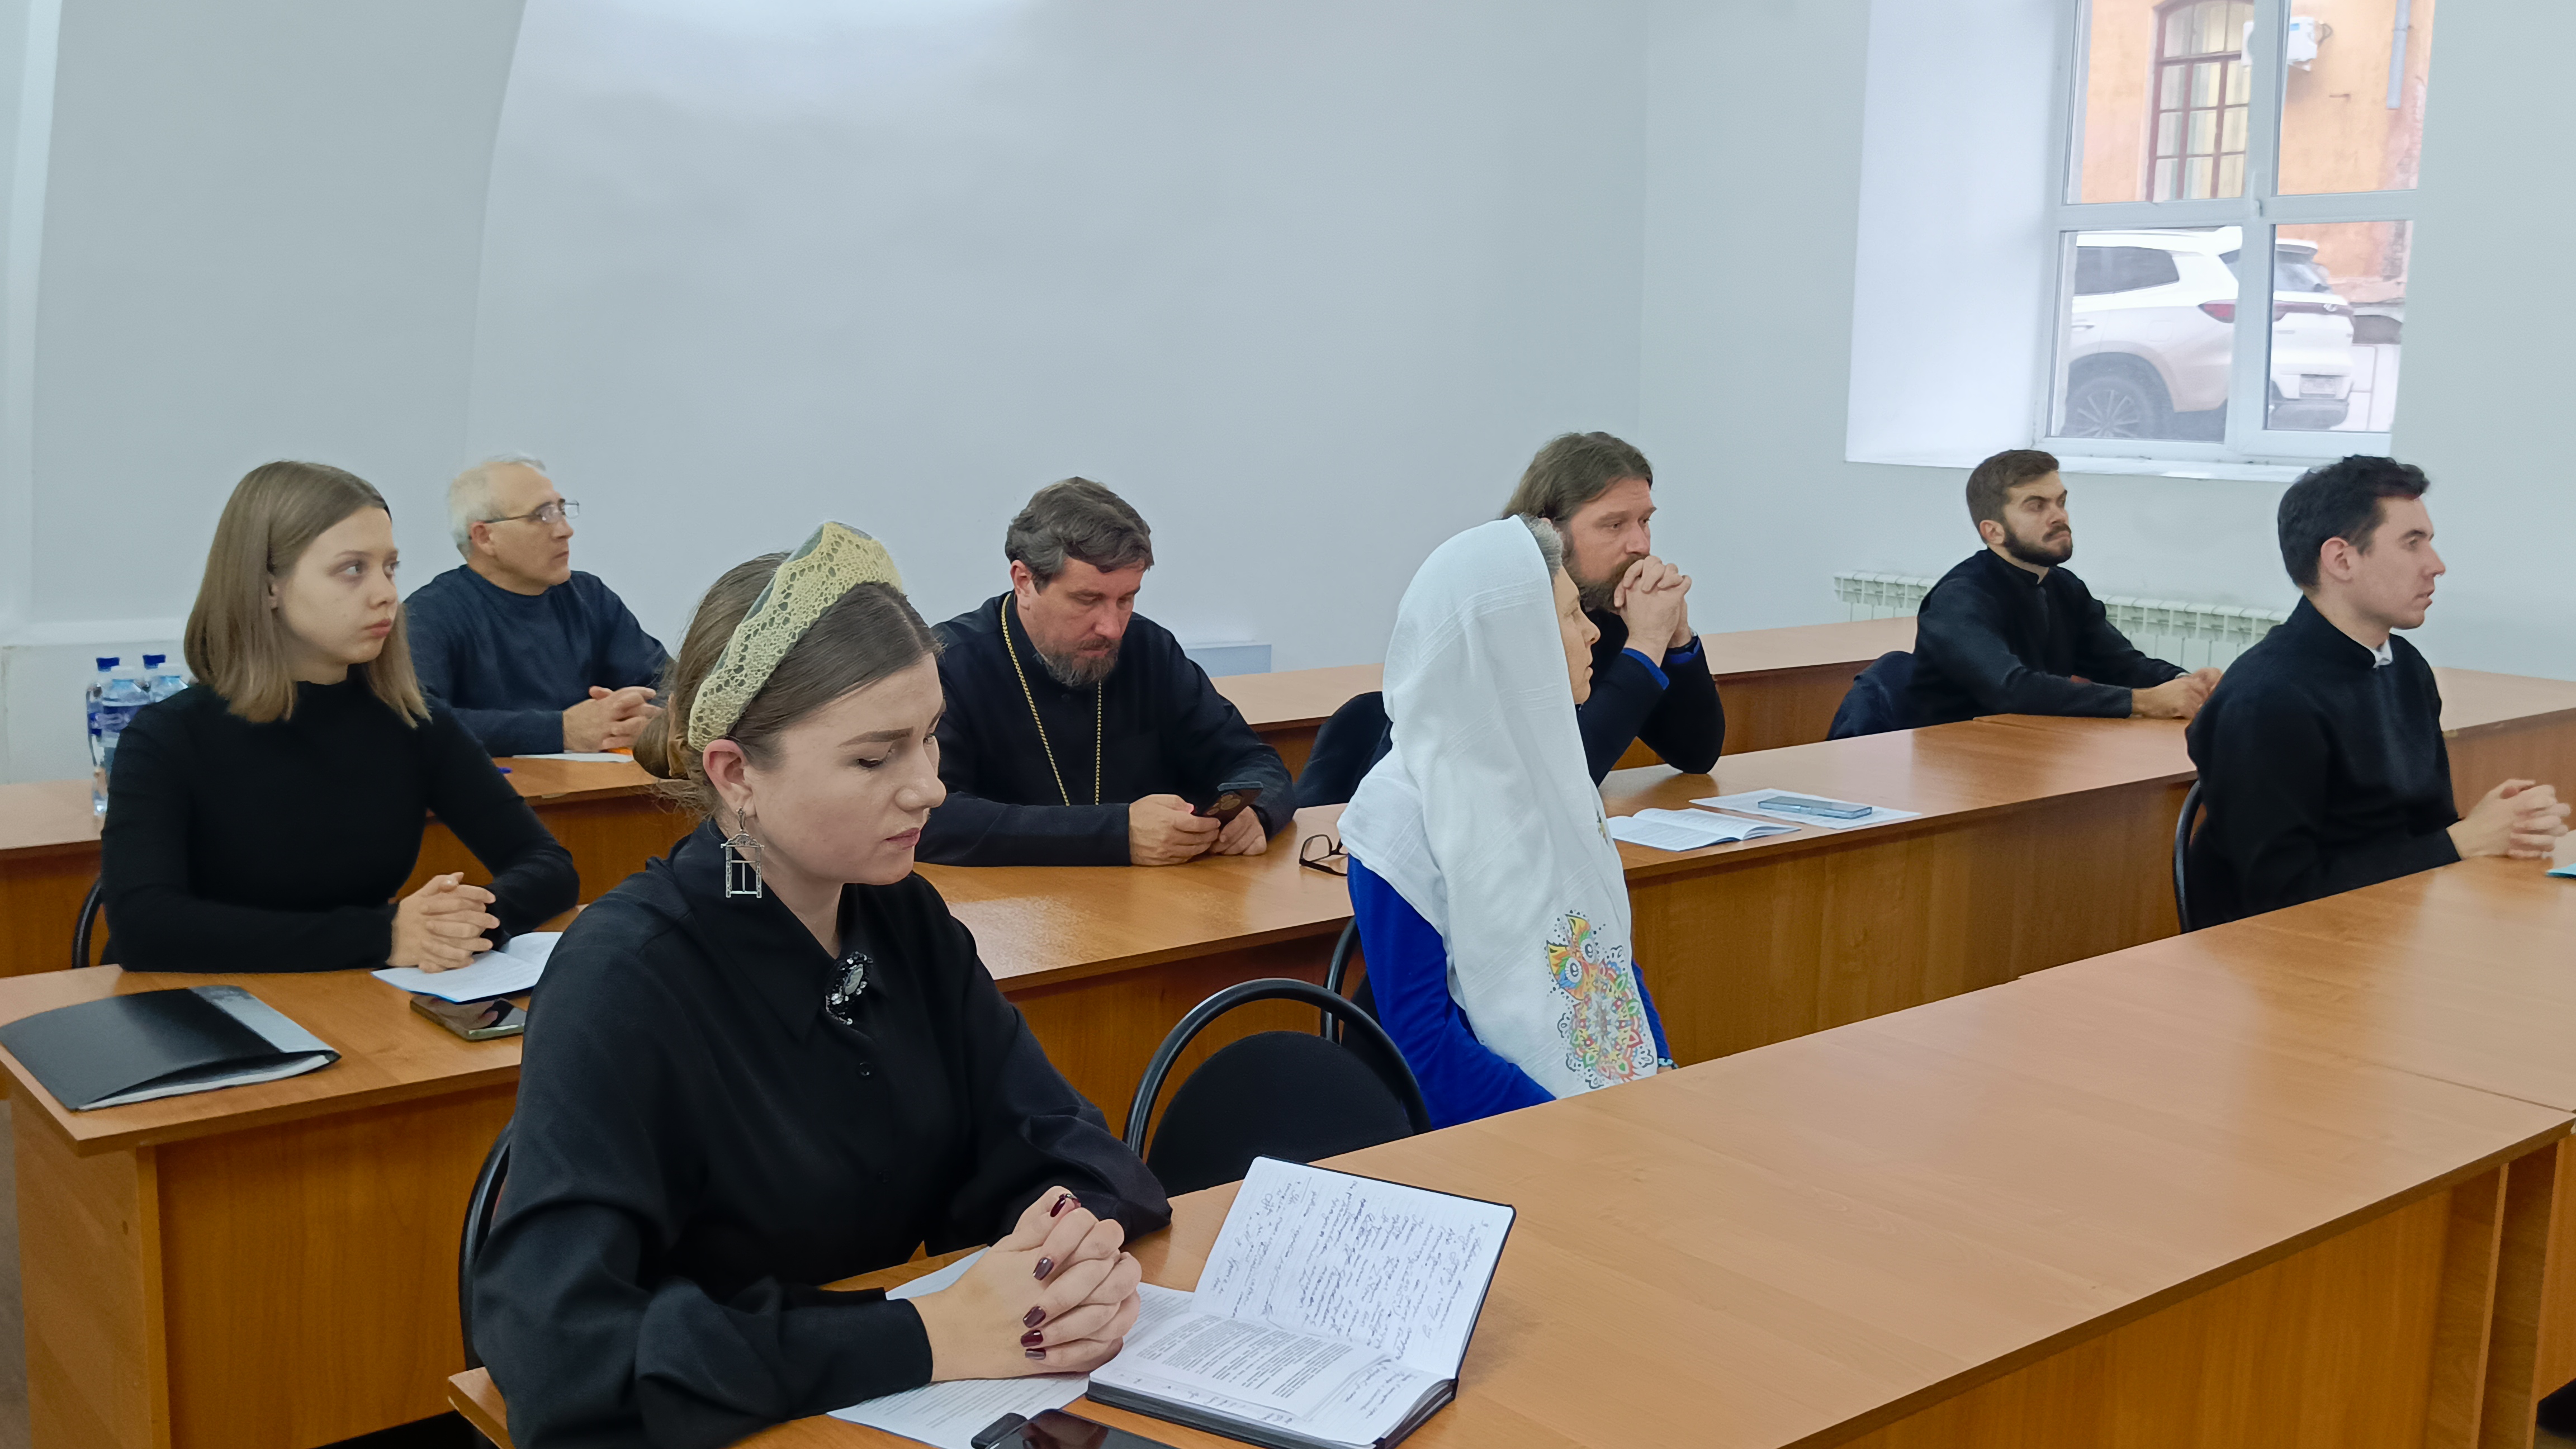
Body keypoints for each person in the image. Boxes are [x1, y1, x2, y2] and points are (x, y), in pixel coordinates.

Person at [473, 524, 1169, 1448]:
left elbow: (1058, 1140)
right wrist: (926, 1336)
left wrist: (1067, 1248)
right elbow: (564, 1354)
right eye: (875, 758)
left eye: (930, 737)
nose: (927, 788)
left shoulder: (901, 918)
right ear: (735, 774)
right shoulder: (624, 977)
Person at [101, 461, 577, 973]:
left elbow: (548, 865)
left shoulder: (412, 722)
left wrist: (465, 922)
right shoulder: (167, 737)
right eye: (353, 569)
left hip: (348, 994)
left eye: (389, 567)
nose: (386, 593)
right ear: (267, 585)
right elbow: (145, 927)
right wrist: (382, 936)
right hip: (193, 1001)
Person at [1340, 516, 1673, 1129]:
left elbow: (1611, 960)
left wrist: (1661, 1074)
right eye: (1570, 615)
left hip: (1604, 1115)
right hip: (1498, 1133)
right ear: (1513, 641)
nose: (1593, 631)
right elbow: (1424, 1046)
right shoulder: (1397, 815)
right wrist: (1566, 1128)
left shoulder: (1553, 772)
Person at [2186, 457, 2566, 925]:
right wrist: (2462, 841)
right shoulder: (2266, 698)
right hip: (2283, 950)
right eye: (2412, 543)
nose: (2436, 566)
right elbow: (2278, 896)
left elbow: (2426, 830)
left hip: (2391, 925)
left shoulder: (2406, 666)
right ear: (2342, 560)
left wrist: (2491, 828)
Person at [921, 479, 1292, 866]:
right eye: (1088, 599)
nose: (1112, 628)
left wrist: (1253, 814)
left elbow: (1255, 764)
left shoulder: (1150, 649)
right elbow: (932, 818)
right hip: (1009, 900)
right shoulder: (949, 664)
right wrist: (1116, 832)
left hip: (1153, 895)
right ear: (1025, 582)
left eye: (1126, 599)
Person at [1907, 449, 2220, 728]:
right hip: (1956, 754)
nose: (2059, 516)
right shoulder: (1959, 597)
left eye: (2061, 502)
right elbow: (2011, 689)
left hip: (2033, 743)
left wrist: (2187, 683)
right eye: (2036, 506)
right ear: (1994, 532)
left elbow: (2120, 664)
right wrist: (2144, 701)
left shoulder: (2064, 586)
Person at [404, 454, 667, 755]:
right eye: (542, 515)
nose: (565, 530)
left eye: (561, 510)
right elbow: (418, 722)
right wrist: (561, 731)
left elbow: (671, 686)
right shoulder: (429, 615)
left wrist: (646, 720)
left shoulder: (590, 598)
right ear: (485, 537)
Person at [1503, 432, 1722, 782]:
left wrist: (1676, 639)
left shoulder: (1607, 606)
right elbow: (1563, 778)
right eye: (1615, 525)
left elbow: (1695, 753)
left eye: (1644, 521)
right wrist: (1646, 643)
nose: (1640, 545)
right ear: (1550, 531)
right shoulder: (1506, 617)